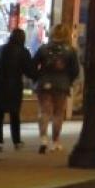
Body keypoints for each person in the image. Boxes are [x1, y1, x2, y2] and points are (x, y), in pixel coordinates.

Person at [32, 22, 80, 154]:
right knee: (58, 113)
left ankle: (43, 139)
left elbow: (33, 65)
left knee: (44, 111)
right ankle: (55, 141)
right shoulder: (70, 51)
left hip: (44, 83)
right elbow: (75, 70)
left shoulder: (43, 49)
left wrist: (38, 78)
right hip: (61, 84)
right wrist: (68, 80)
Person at [0, 27, 33, 151]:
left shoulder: (1, 49)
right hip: (14, 86)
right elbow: (29, 71)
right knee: (15, 114)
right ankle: (16, 141)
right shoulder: (24, 52)